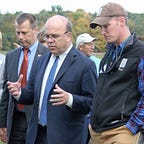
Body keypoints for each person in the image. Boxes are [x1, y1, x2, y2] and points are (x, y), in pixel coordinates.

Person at [7, 15, 97, 144]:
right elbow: (31, 94)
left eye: (54, 36)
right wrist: (19, 92)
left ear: (68, 36)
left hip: (66, 137)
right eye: (47, 36)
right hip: (37, 135)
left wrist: (70, 99)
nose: (49, 40)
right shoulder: (41, 61)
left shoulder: (85, 65)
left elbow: (92, 103)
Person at [89, 2, 144, 144]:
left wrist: (131, 127)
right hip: (97, 131)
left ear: (121, 21)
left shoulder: (140, 53)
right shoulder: (109, 52)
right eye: (100, 27)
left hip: (121, 132)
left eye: (106, 26)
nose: (102, 32)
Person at [0, 13, 48, 144]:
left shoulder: (48, 55)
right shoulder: (11, 56)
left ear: (35, 30)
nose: (21, 37)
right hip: (15, 121)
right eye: (18, 32)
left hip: (38, 122)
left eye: (25, 33)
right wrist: (2, 123)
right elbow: (5, 93)